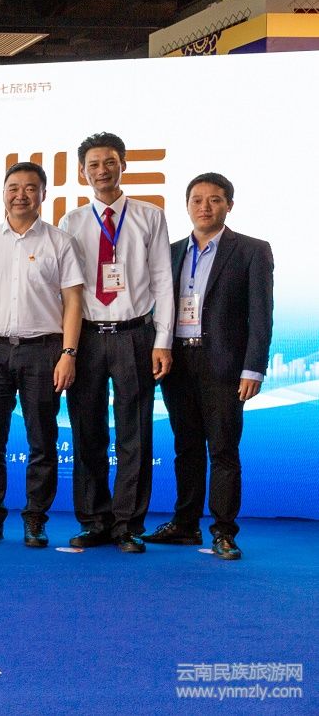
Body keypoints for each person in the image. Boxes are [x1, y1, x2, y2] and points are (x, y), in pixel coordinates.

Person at [145, 173, 273, 561]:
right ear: (187, 206)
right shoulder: (169, 252)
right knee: (185, 447)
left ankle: (223, 531)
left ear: (228, 205)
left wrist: (253, 368)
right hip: (177, 361)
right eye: (197, 200)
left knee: (222, 449)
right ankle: (185, 524)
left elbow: (261, 315)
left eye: (215, 200)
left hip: (224, 364)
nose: (205, 207)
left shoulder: (251, 250)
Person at [59, 132, 174, 553]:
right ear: (82, 172)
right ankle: (94, 520)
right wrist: (67, 348)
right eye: (93, 164)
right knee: (87, 432)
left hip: (135, 335)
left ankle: (128, 524)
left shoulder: (150, 216)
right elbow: (66, 290)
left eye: (109, 162)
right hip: (88, 336)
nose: (102, 170)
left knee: (134, 433)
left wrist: (163, 341)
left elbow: (163, 280)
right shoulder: (71, 222)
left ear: (123, 164)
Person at [0, 162, 85, 548]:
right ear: (3, 193)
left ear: (43, 194)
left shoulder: (60, 242)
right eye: (13, 187)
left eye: (30, 188)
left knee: (42, 440)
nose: (21, 195)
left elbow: (73, 301)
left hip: (43, 351)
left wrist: (68, 353)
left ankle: (36, 518)